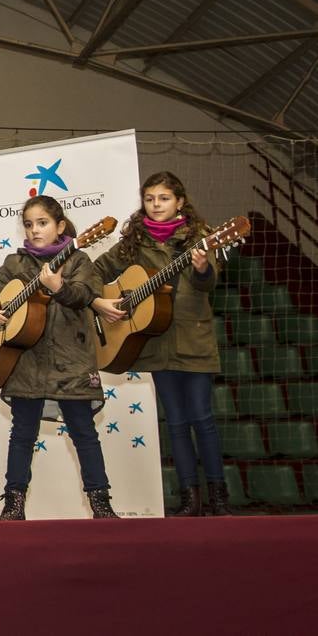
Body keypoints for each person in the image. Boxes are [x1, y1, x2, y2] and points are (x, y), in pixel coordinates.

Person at [0, 196, 118, 520]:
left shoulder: (80, 259)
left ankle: (101, 502)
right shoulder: (16, 263)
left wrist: (59, 287)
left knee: (84, 431)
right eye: (29, 224)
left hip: (71, 359)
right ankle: (13, 504)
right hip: (28, 362)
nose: (35, 230)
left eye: (42, 223)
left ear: (61, 226)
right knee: (22, 433)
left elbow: (85, 295)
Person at [92, 171, 223, 516]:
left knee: (203, 418)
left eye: (163, 199)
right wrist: (99, 301)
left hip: (194, 340)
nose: (156, 205)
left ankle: (218, 496)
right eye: (150, 199)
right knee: (176, 421)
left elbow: (209, 285)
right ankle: (189, 498)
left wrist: (201, 269)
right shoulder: (135, 242)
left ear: (180, 202)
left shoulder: (201, 237)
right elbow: (95, 271)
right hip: (155, 343)